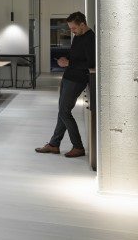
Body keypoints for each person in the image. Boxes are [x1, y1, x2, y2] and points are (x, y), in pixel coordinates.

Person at [35, 11, 95, 158]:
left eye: (74, 28)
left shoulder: (90, 38)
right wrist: (66, 59)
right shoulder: (78, 36)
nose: (72, 31)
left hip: (77, 80)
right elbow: (75, 56)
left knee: (64, 112)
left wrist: (69, 63)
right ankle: (54, 144)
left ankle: (78, 147)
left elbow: (91, 64)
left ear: (82, 24)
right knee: (62, 111)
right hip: (68, 77)